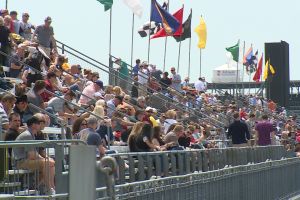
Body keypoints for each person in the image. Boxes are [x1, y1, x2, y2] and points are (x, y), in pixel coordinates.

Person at [13, 116, 55, 194]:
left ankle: (49, 187)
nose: (41, 125)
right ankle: (50, 189)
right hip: (20, 162)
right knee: (48, 163)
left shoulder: (31, 134)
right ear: (33, 125)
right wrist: (45, 159)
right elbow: (32, 155)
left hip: (25, 161)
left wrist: (46, 159)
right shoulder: (27, 135)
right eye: (39, 123)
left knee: (50, 164)